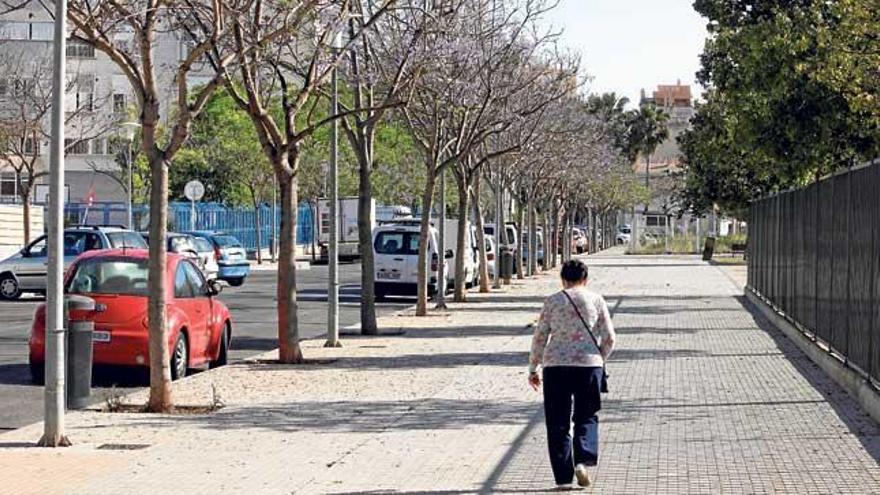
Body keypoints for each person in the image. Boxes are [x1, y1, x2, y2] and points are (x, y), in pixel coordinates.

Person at [528, 259, 616, 490]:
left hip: (556, 367)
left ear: (563, 279)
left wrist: (533, 368)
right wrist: (598, 359)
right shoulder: (596, 300)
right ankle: (583, 460)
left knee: (557, 422)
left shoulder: (553, 301)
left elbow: (539, 337)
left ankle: (563, 477)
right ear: (585, 279)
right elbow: (609, 338)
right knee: (587, 416)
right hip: (589, 367)